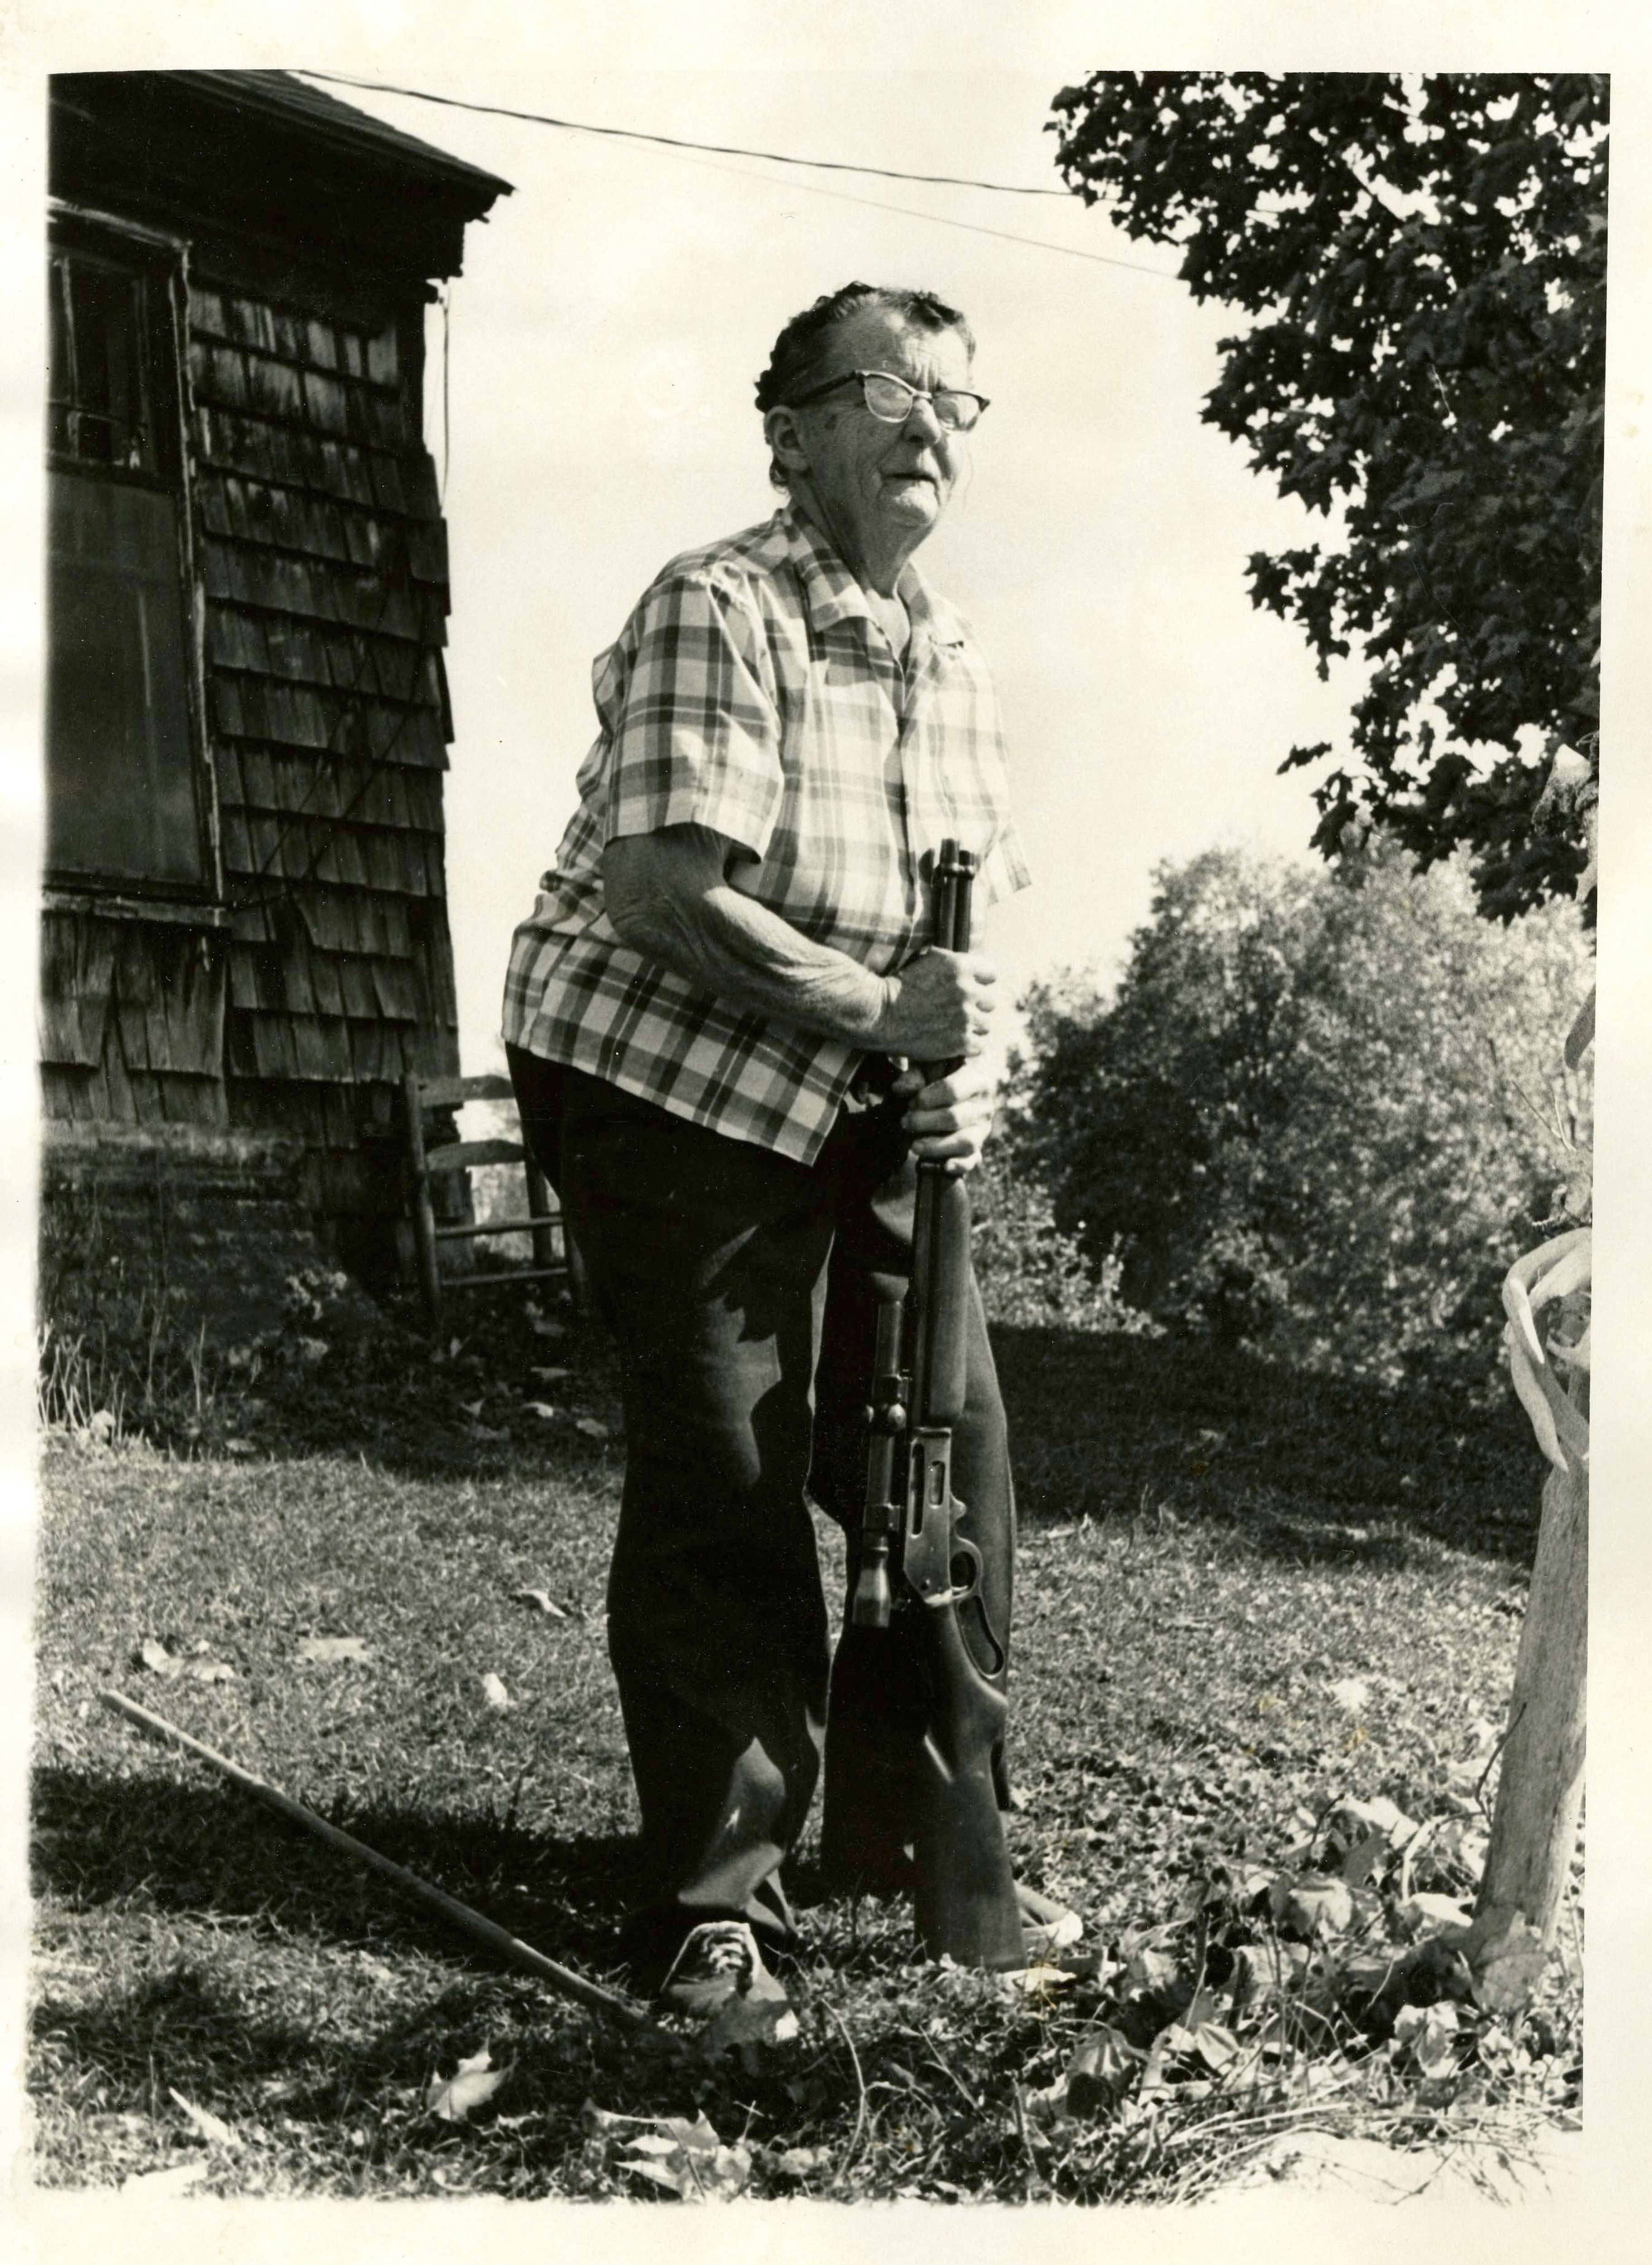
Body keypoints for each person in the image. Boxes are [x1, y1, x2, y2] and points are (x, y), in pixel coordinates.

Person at [503, 281, 1064, 2004]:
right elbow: (665, 896)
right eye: (891, 391)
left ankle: (920, 1842)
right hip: (661, 1074)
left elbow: (961, 962)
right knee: (731, 1466)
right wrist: (887, 1014)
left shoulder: (953, 658)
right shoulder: (721, 603)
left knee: (947, 1458)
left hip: (857, 1085)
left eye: (959, 403)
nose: (930, 428)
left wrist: (957, 1064)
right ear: (795, 431)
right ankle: (718, 1904)